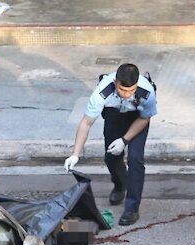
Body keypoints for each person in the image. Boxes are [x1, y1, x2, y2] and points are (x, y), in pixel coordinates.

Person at [64, 63, 157, 226]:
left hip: (137, 119)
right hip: (114, 117)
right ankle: (121, 184)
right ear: (115, 83)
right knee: (111, 158)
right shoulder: (103, 91)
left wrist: (124, 140)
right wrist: (75, 154)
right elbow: (86, 122)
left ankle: (132, 208)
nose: (127, 95)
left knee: (136, 160)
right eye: (123, 90)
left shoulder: (147, 91)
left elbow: (145, 118)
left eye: (131, 90)